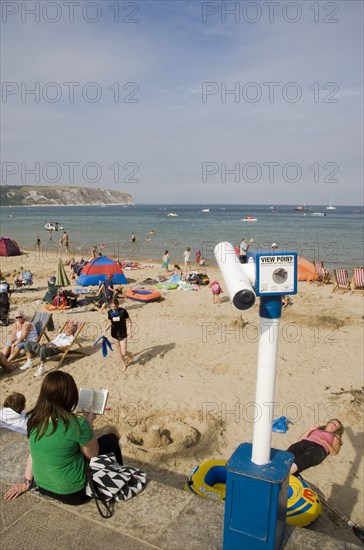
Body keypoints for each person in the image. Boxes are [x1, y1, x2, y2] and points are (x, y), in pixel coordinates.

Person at [3, 371, 123, 505]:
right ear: (69, 396)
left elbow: (34, 452)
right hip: (74, 493)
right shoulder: (78, 424)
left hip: (43, 486)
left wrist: (26, 482)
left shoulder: (33, 418)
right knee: (110, 440)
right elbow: (93, 455)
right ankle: (114, 481)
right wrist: (88, 422)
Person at [104, 297, 132, 372]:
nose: (114, 308)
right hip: (114, 334)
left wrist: (129, 331)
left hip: (123, 334)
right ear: (110, 305)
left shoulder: (123, 311)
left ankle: (129, 354)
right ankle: (123, 364)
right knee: (119, 352)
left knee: (123, 352)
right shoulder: (109, 312)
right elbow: (110, 322)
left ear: (118, 305)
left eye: (115, 306)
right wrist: (105, 330)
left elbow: (129, 322)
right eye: (112, 306)